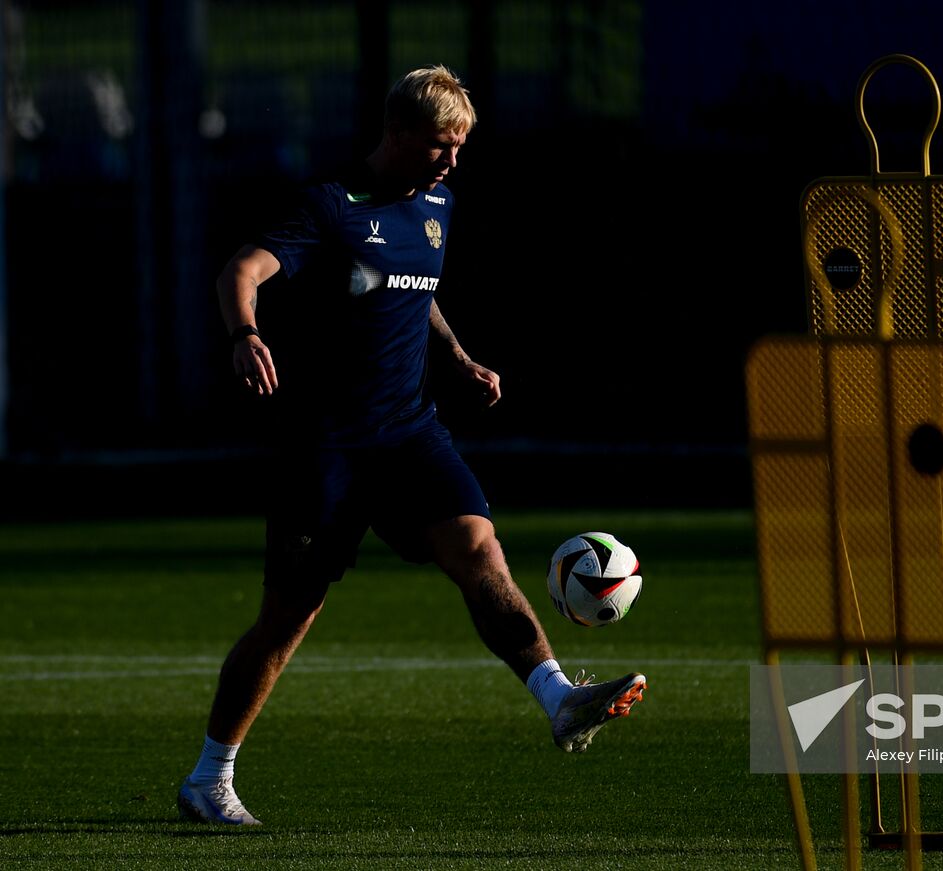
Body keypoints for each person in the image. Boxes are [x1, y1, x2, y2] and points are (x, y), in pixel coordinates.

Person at [177, 65, 646, 826]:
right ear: (395, 134)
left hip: (408, 432)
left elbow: (415, 291)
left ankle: (559, 698)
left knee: (478, 547)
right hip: (324, 446)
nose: (452, 160)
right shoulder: (330, 207)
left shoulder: (437, 204)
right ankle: (209, 776)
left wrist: (459, 360)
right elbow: (242, 270)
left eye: (460, 145)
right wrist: (244, 333)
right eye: (439, 145)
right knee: (289, 617)